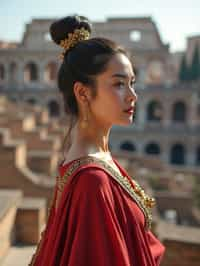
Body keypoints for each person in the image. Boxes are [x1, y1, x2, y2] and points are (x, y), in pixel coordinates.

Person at [29, 15, 165, 266]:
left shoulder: (99, 160)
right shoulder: (93, 182)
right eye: (119, 84)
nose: (133, 95)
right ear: (82, 92)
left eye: (132, 83)